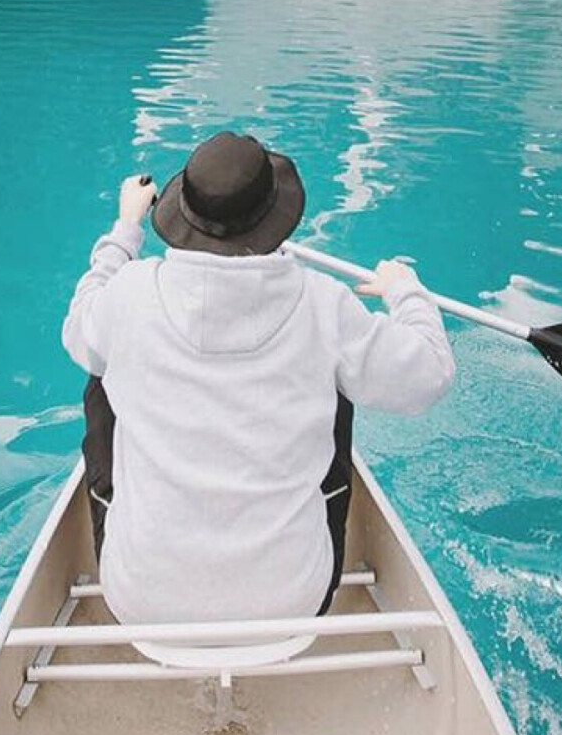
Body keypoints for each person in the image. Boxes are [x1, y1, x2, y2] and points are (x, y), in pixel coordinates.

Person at [62, 130, 454, 628]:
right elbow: (429, 374)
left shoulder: (129, 295)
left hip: (142, 602)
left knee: (100, 367)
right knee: (338, 381)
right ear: (275, 218)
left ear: (185, 214)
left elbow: (77, 330)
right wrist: (406, 294)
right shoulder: (322, 304)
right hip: (292, 602)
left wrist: (125, 230)